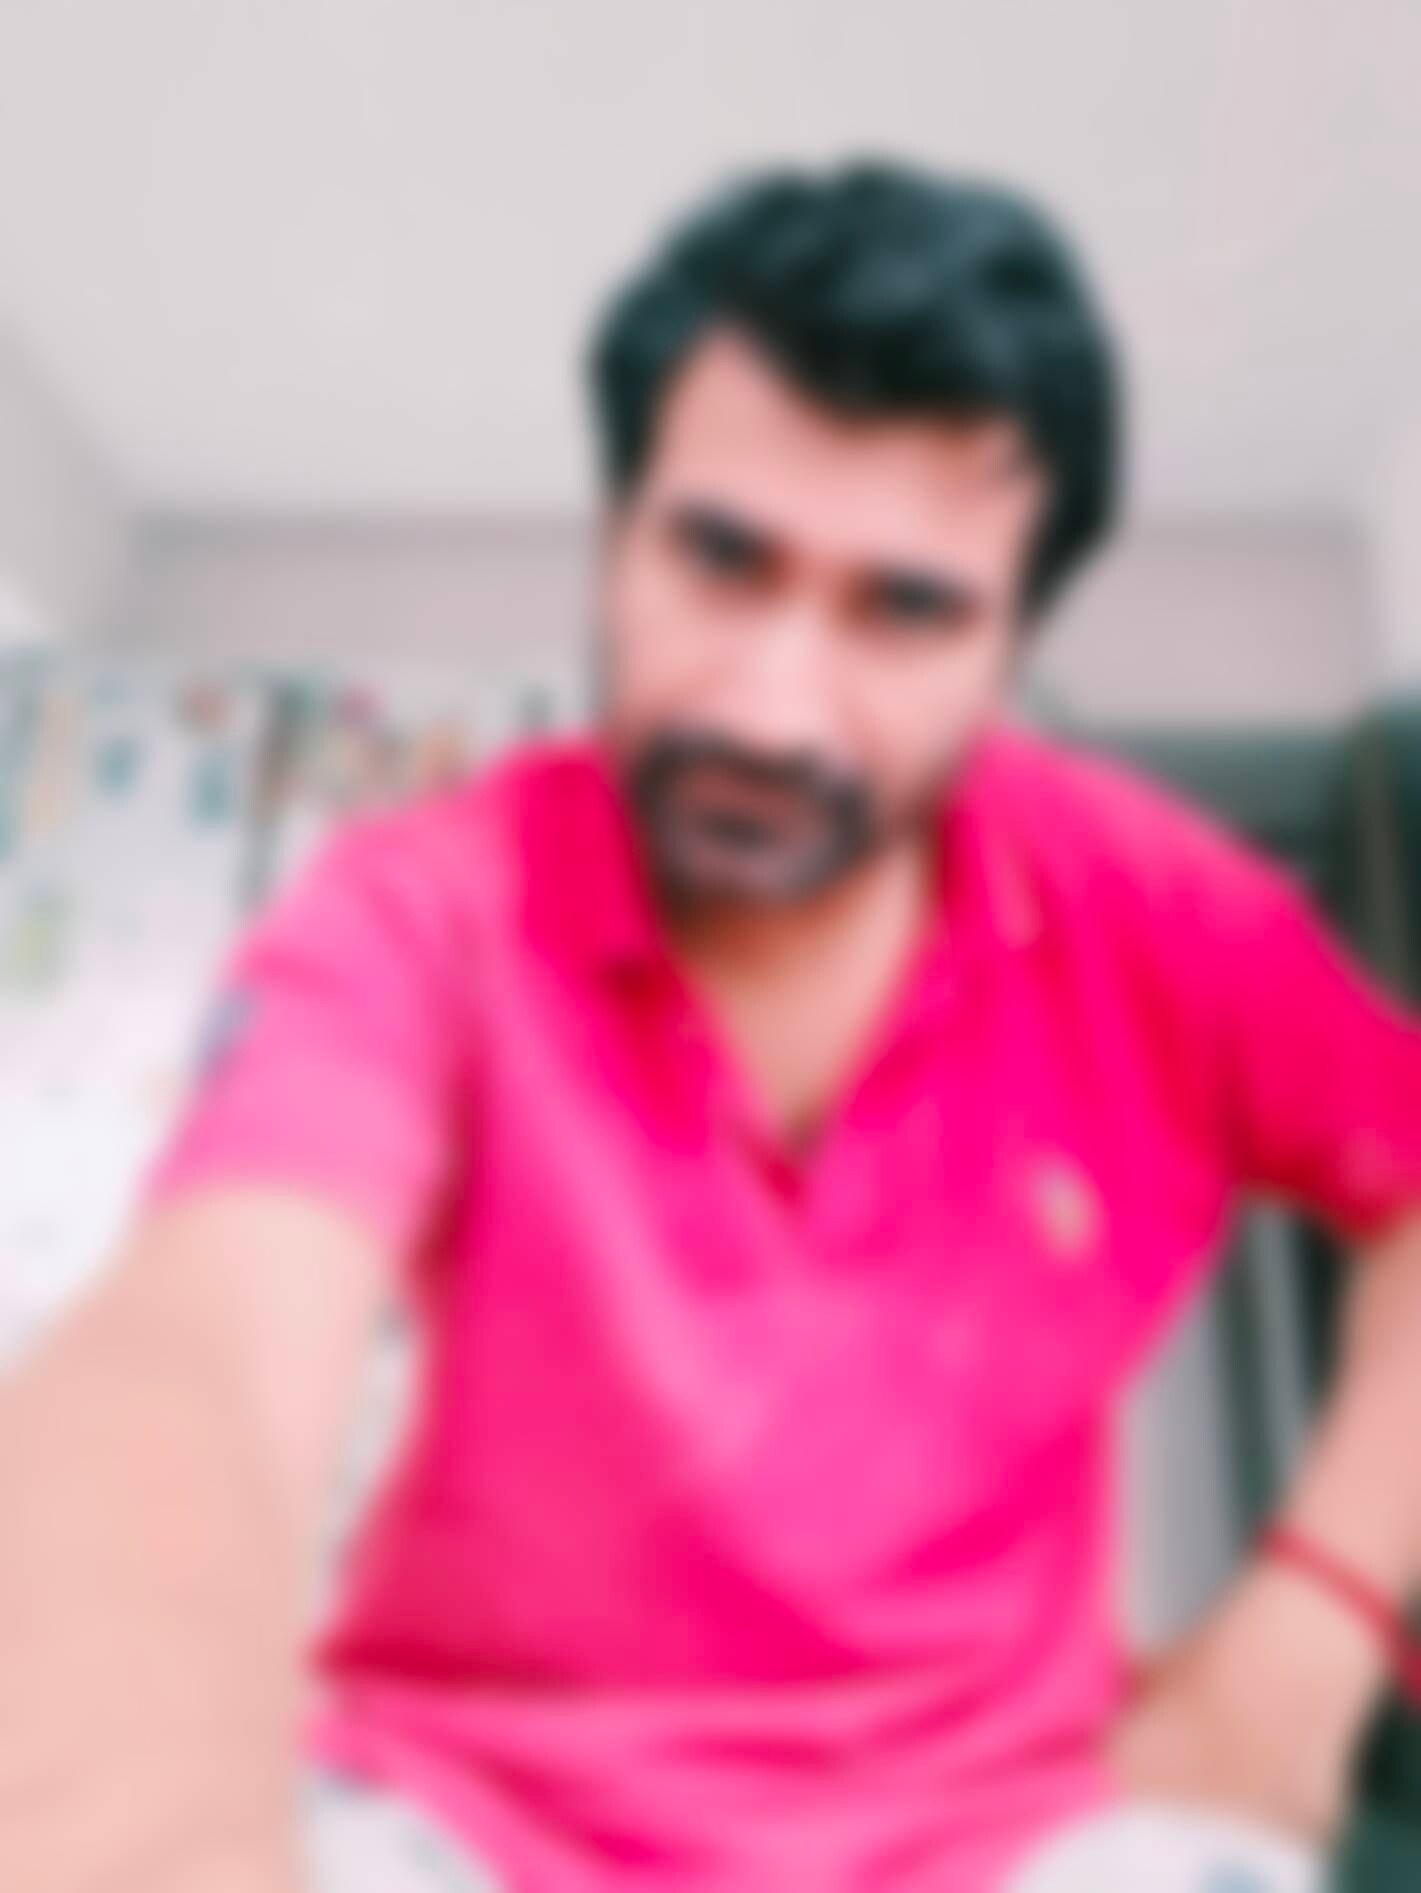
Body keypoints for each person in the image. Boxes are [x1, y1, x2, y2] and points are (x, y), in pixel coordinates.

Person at [3, 159, 1420, 1893]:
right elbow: (204, 1338)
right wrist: (134, 1815)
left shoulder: (1160, 915)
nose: (770, 704)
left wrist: (1315, 1618)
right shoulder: (419, 912)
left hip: (1015, 1833)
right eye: (720, 557)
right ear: (618, 538)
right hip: (474, 1824)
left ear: (1008, 646)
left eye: (906, 607)